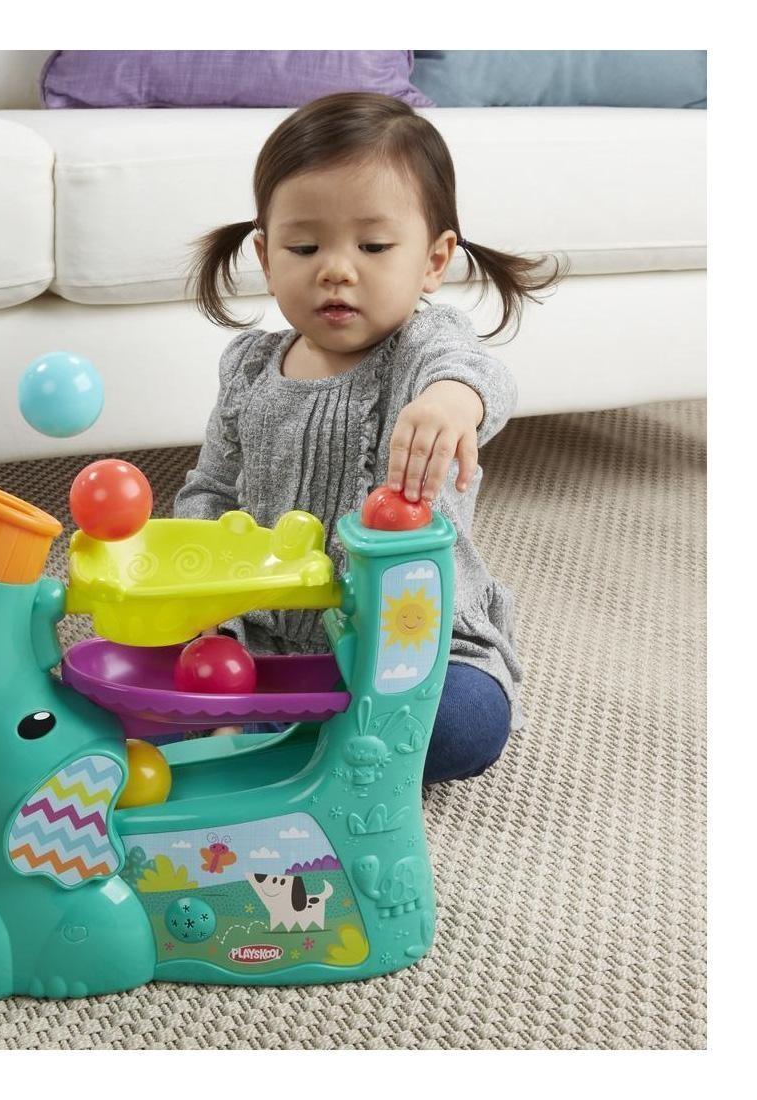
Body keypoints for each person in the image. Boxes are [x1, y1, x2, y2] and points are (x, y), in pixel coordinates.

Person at [174, 92, 563, 783]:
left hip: (413, 645)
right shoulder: (248, 369)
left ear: (434, 260)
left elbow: (479, 373)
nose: (337, 269)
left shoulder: (423, 347)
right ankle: (294, 729)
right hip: (268, 638)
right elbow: (211, 491)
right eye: (304, 247)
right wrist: (207, 606)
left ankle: (287, 737)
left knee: (465, 723)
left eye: (374, 247)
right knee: (143, 672)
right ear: (266, 256)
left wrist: (452, 400)